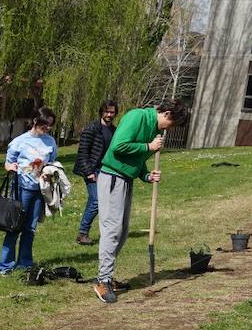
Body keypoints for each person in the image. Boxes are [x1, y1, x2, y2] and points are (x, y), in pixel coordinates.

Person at [92, 99, 189, 304]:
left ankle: (106, 275)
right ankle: (103, 280)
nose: (169, 130)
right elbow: (119, 147)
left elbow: (138, 158)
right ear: (167, 114)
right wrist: (148, 145)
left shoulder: (155, 129)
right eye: (171, 125)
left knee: (123, 230)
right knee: (112, 229)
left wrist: (146, 175)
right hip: (112, 177)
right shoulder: (137, 117)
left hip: (126, 179)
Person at [0, 107, 58, 274]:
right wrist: (11, 168)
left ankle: (25, 264)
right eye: (46, 124)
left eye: (51, 125)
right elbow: (7, 164)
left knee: (30, 228)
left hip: (39, 190)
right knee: (14, 226)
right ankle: (6, 266)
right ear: (36, 121)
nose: (48, 128)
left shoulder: (50, 142)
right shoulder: (19, 141)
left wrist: (50, 172)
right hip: (21, 189)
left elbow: (52, 163)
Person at [73, 101, 117, 245]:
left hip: (105, 169)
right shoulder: (92, 129)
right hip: (91, 169)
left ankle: (108, 232)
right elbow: (83, 152)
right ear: (101, 112)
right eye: (106, 112)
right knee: (96, 200)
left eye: (112, 112)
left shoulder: (114, 130)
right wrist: (89, 172)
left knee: (107, 202)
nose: (109, 115)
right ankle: (82, 233)